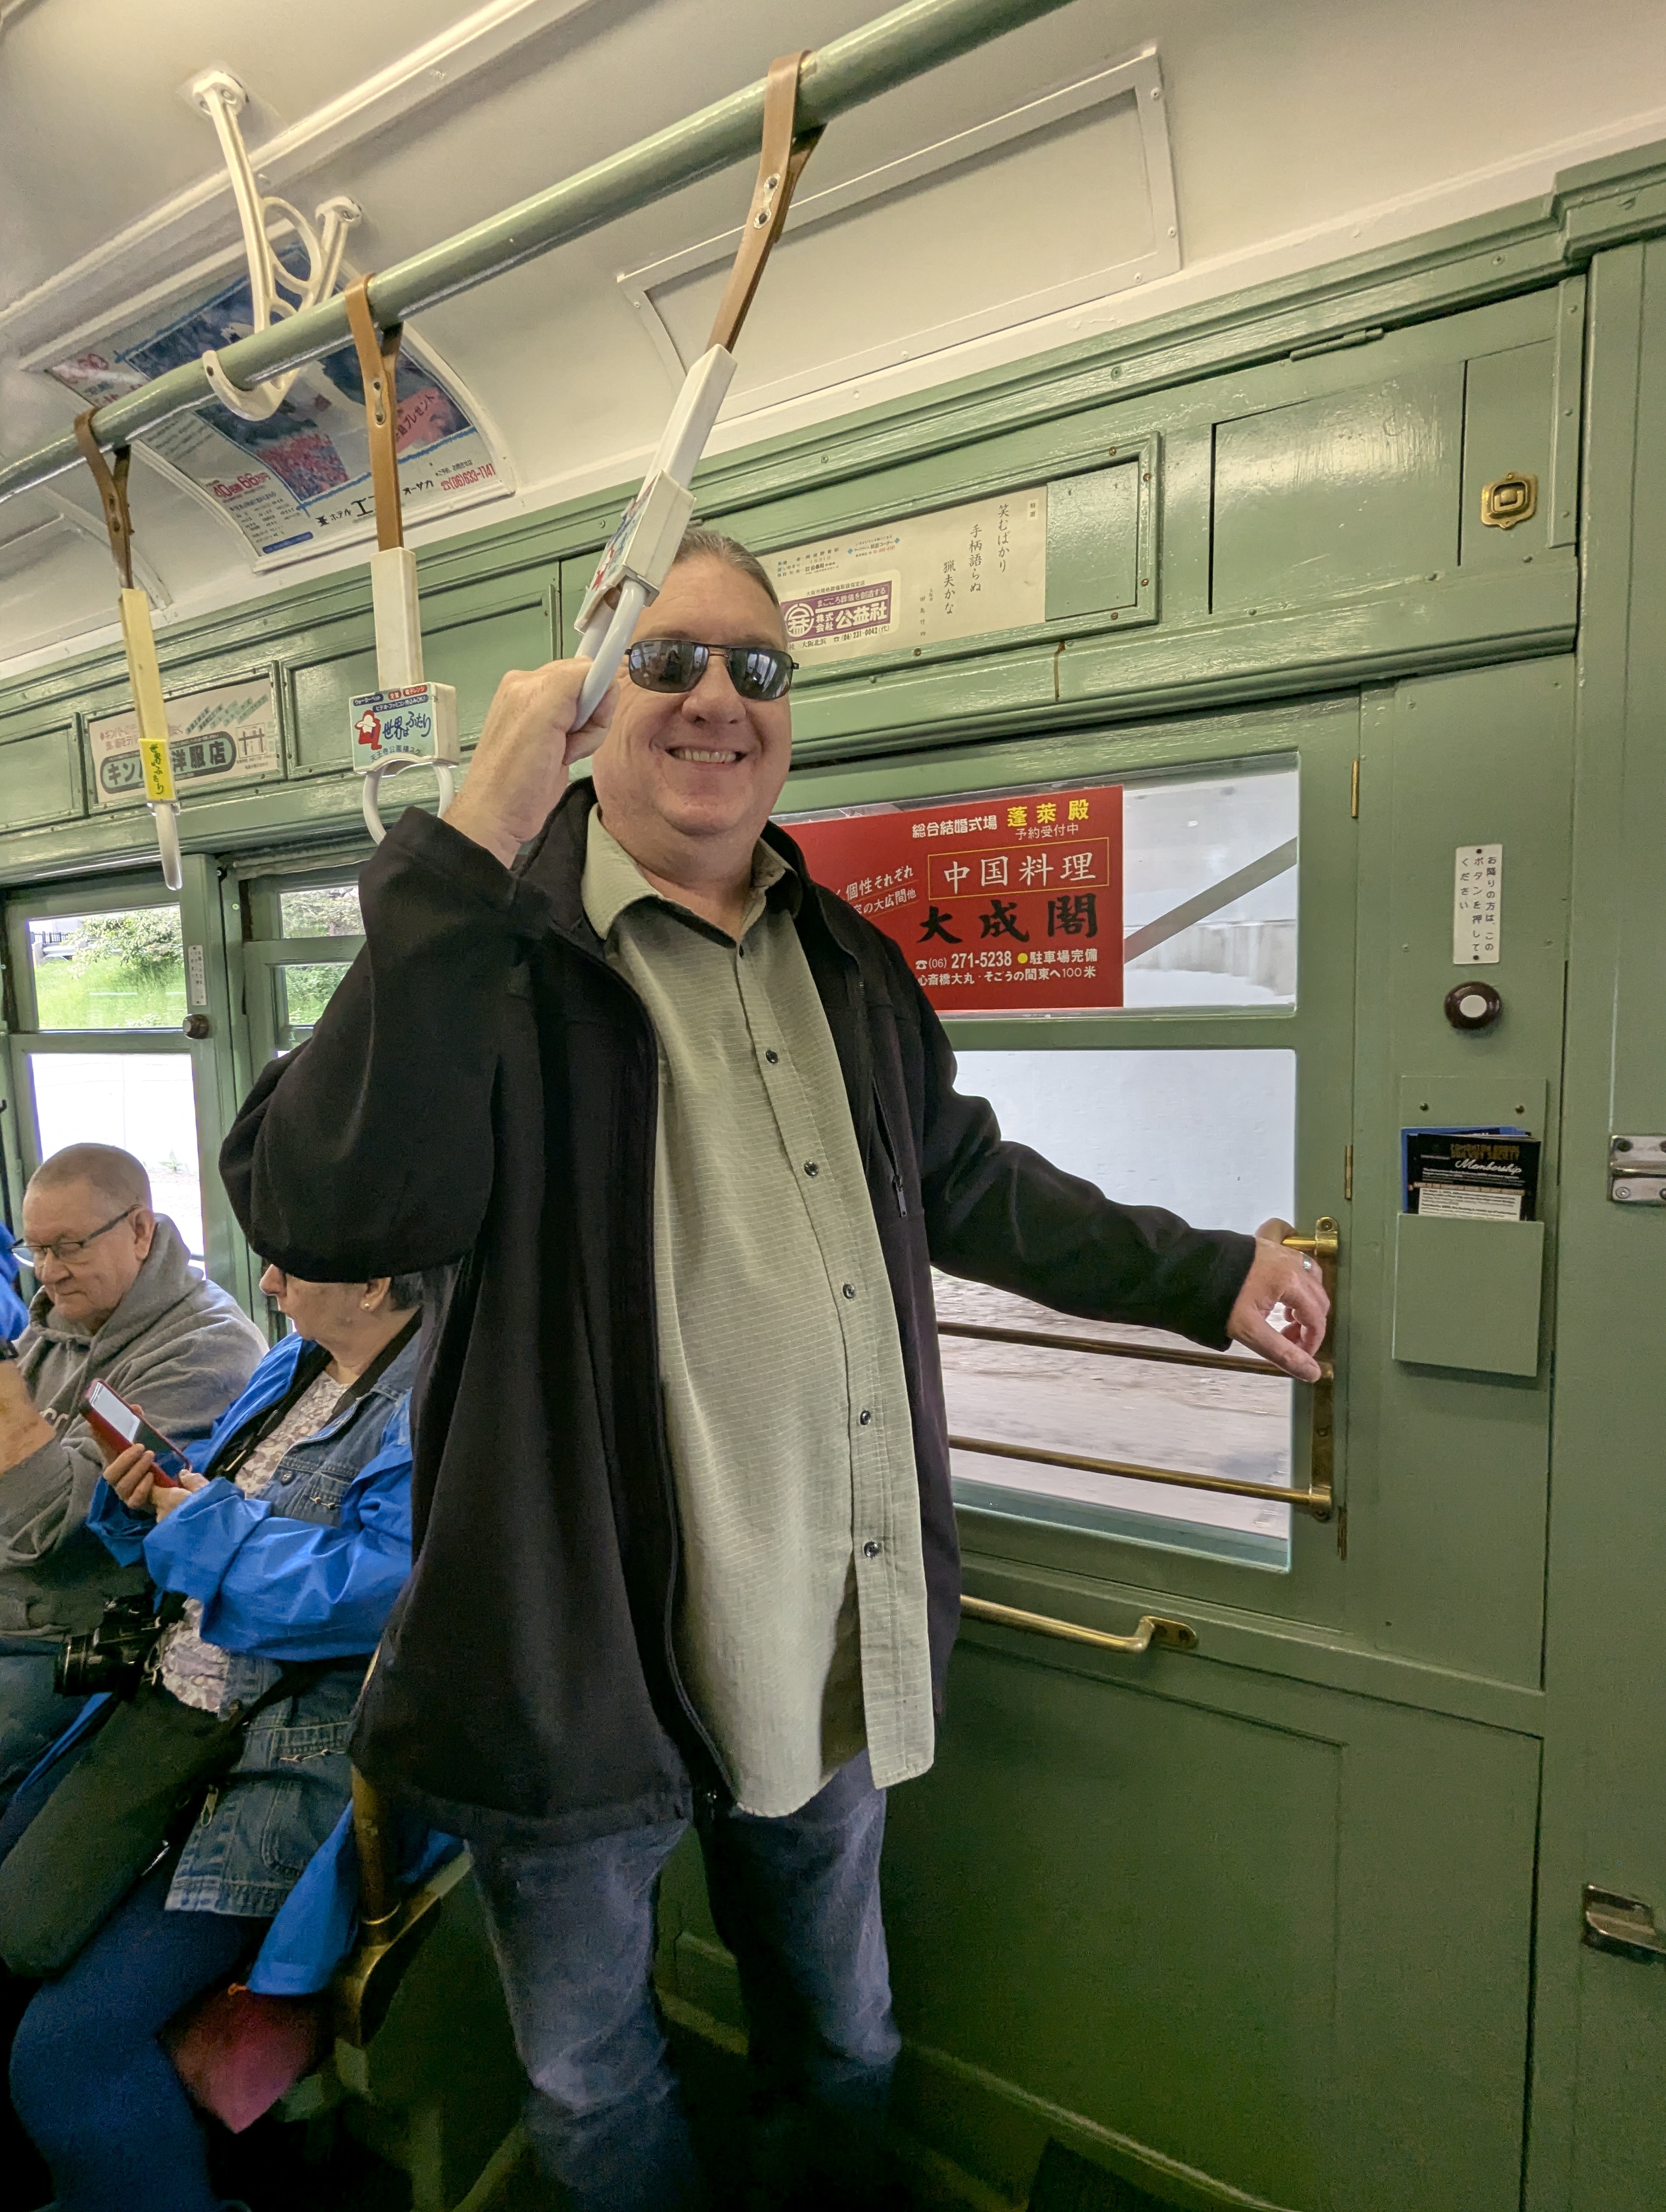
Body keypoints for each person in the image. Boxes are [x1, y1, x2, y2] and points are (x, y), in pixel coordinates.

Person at [221, 527, 1329, 2212]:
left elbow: (965, 1181)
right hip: (570, 1650)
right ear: (588, 702)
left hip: (820, 1624)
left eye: (758, 667)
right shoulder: (488, 958)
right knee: (590, 2082)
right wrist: (464, 843)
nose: (716, 698)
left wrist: (1207, 1275)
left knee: (846, 2031)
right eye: (666, 660)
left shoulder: (847, 964)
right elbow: (326, 1208)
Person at [3, 1261, 420, 2212]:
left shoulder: (431, 1409)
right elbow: (195, 1533)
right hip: (165, 1714)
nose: (265, 1277)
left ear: (374, 1281)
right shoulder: (291, 1366)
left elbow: (379, 1598)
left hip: (283, 1762)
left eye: (292, 1259)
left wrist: (205, 1522)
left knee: (63, 2057)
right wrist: (138, 1504)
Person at [0, 1145, 266, 1801]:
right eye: (36, 1250)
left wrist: (6, 1401)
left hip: (73, 1639)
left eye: (68, 1247)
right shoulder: (60, 1321)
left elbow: (48, 1527)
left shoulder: (205, 1350)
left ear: (140, 1229)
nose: (48, 1273)